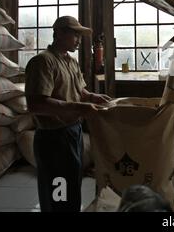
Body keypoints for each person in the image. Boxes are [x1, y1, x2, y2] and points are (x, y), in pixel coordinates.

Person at [25, 16, 112, 212]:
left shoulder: (71, 62)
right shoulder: (43, 62)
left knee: (72, 183)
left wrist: (93, 97)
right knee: (58, 187)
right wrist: (79, 108)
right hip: (53, 139)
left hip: (73, 132)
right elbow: (37, 104)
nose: (79, 40)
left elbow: (80, 91)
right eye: (75, 34)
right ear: (60, 33)